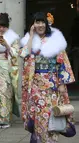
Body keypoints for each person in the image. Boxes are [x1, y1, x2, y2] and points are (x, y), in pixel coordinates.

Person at [20, 12, 75, 143]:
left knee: (50, 115)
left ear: (46, 24)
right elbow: (24, 54)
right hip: (35, 84)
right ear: (32, 25)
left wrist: (62, 82)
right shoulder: (30, 40)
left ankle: (49, 140)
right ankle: (38, 139)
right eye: (37, 22)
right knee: (38, 115)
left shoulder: (54, 40)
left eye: (42, 22)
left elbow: (62, 61)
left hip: (51, 84)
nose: (40, 25)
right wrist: (31, 35)